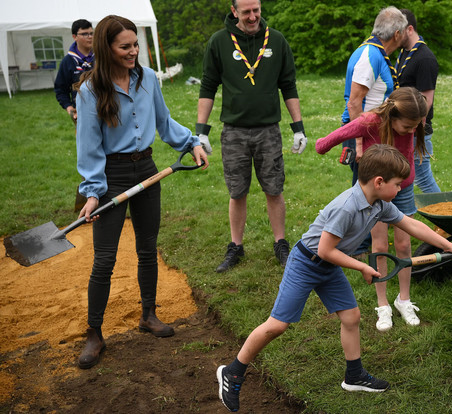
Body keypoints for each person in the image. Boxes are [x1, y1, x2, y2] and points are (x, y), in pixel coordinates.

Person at [215, 144, 452, 412]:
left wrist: (447, 244)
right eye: (397, 184)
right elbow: (324, 249)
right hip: (305, 263)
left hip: (328, 266)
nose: (400, 189)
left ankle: (354, 376)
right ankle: (233, 371)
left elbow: (410, 224)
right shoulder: (347, 207)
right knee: (277, 326)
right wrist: (362, 267)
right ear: (379, 182)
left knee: (351, 317)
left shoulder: (379, 204)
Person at [74, 15, 209, 370]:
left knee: (148, 249)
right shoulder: (91, 91)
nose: (134, 52)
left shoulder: (148, 78)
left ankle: (148, 315)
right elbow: (88, 148)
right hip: (112, 176)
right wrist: (92, 193)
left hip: (147, 170)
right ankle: (94, 333)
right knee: (105, 259)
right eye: (125, 47)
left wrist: (191, 142)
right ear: (107, 48)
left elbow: (164, 121)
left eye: (136, 45)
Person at [198, 0, 307, 271]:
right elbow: (208, 86)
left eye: (256, 10)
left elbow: (288, 85)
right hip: (233, 131)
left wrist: (298, 127)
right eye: (246, 11)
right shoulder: (219, 41)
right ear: (234, 10)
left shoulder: (277, 40)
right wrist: (200, 132)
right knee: (237, 191)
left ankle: (280, 243)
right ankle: (236, 246)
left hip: (268, 130)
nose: (252, 16)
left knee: (274, 188)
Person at [317, 87, 428, 332]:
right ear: (393, 116)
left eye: (414, 127)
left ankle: (404, 299)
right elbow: (333, 137)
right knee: (379, 246)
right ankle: (383, 304)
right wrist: (324, 146)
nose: (411, 132)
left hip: (403, 188)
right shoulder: (370, 122)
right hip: (376, 194)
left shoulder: (410, 121)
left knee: (403, 244)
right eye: (408, 127)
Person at [340, 6, 407, 186]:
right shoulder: (370, 55)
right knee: (366, 194)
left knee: (373, 193)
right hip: (362, 134)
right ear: (397, 34)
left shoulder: (375, 53)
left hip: (369, 132)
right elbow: (354, 103)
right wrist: (360, 144)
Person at [397, 9, 440, 193]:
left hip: (416, 130)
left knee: (423, 178)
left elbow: (426, 100)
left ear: (410, 29)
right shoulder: (405, 52)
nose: (394, 34)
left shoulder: (425, 58)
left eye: (398, 30)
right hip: (406, 127)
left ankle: (446, 217)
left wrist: (414, 131)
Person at [55, 19, 94, 124]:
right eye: (85, 34)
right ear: (74, 37)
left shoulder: (101, 57)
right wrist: (70, 109)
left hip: (104, 111)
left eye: (91, 33)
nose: (90, 36)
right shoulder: (67, 62)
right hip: (82, 114)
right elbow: (60, 89)